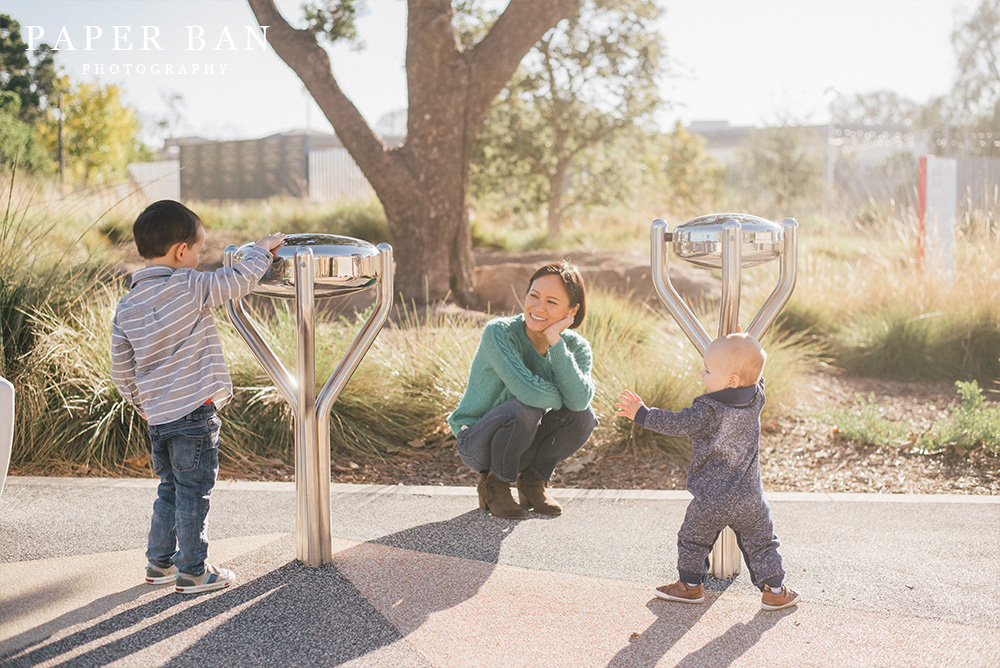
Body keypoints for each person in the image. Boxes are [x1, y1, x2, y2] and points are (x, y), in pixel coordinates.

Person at [111, 199, 285, 594]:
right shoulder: (189, 285)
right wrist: (261, 249)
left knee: (169, 488)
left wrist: (142, 403)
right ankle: (192, 570)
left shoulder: (127, 306)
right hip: (194, 414)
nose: (199, 258)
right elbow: (237, 280)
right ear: (180, 252)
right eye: (199, 251)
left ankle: (159, 565)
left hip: (157, 417)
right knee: (194, 492)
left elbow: (120, 369)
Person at [614, 333, 800, 611]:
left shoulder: (707, 409)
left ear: (731, 381)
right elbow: (756, 377)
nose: (702, 374)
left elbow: (678, 424)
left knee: (693, 539)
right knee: (762, 544)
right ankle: (775, 591)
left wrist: (641, 414)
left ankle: (690, 586)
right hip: (752, 499)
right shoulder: (756, 399)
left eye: (708, 370)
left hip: (711, 500)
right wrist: (743, 343)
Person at [448, 261, 597, 519]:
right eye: (534, 296)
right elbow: (530, 394)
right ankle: (495, 485)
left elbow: (580, 403)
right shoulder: (500, 333)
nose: (538, 308)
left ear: (572, 310)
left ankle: (532, 482)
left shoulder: (576, 347)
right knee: (525, 409)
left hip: (522, 443)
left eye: (551, 302)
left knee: (584, 417)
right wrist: (564, 395)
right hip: (476, 442)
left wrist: (555, 341)